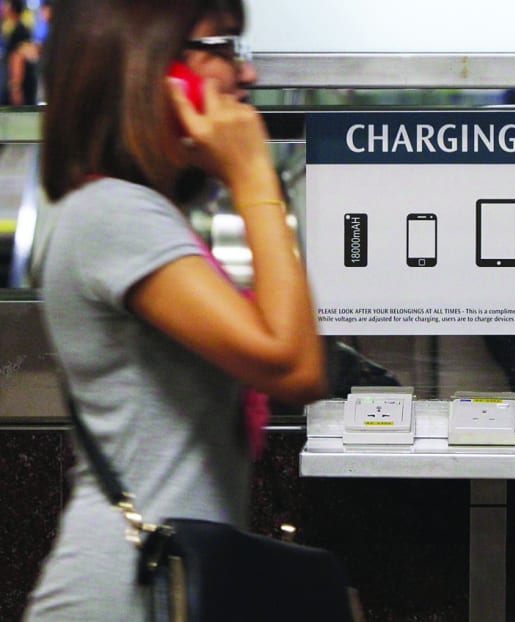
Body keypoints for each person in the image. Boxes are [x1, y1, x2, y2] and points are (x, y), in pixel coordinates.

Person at [23, 0, 327, 619]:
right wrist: (253, 178)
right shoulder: (112, 214)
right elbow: (293, 364)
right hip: (127, 593)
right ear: (149, 65)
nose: (246, 77)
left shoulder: (139, 211)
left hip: (169, 582)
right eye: (222, 48)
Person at [1, 0, 36, 105]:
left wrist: (15, 88)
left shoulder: (20, 30)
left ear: (13, 8)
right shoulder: (17, 28)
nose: (4, 9)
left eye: (7, 5)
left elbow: (17, 59)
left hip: (21, 86)